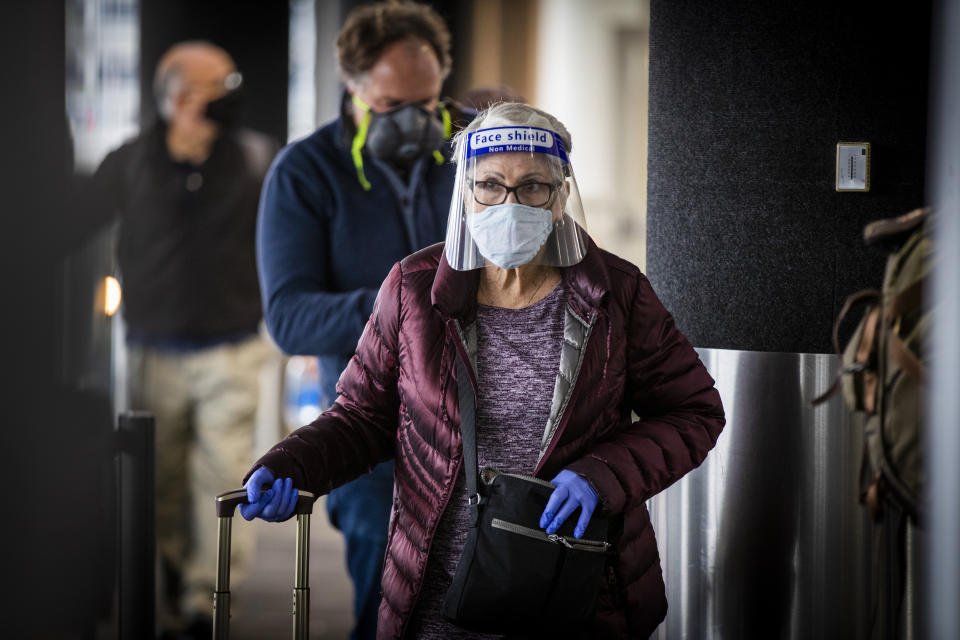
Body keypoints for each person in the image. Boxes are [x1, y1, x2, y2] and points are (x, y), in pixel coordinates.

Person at [243, 101, 726, 638]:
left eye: (532, 186)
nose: (509, 203)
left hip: (579, 592)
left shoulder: (617, 294)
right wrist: (293, 464)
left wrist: (602, 475)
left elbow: (693, 412)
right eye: (490, 184)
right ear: (465, 194)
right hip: (439, 595)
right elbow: (362, 417)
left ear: (561, 194)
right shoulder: (412, 291)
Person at [254, 3, 472, 638]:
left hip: (481, 420)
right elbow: (290, 318)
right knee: (390, 606)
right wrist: (403, 309)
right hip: (370, 434)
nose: (415, 123)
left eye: (428, 104)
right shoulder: (304, 172)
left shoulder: (468, 148)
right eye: (391, 107)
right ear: (352, 88)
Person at [76, 41, 278, 638]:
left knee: (223, 478)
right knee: (158, 483)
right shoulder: (130, 161)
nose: (231, 96)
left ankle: (205, 599)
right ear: (180, 97)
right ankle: (165, 579)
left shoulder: (256, 159)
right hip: (152, 350)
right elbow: (70, 223)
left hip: (232, 348)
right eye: (220, 86)